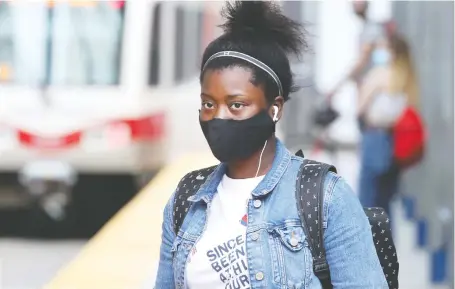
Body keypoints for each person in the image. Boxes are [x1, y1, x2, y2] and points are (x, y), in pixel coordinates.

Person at [155, 1, 387, 288]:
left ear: (275, 108)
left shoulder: (325, 198)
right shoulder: (186, 200)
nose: (218, 117)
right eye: (208, 104)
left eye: (236, 104)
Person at [357, 33, 419, 216]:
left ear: (391, 52)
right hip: (396, 141)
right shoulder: (407, 77)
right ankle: (386, 242)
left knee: (368, 200)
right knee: (385, 203)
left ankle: (369, 244)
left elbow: (360, 107)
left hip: (376, 137)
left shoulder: (380, 74)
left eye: (382, 47)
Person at [326, 0, 385, 100]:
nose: (354, 4)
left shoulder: (371, 30)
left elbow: (362, 60)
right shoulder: (366, 29)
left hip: (372, 90)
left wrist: (337, 87)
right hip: (366, 88)